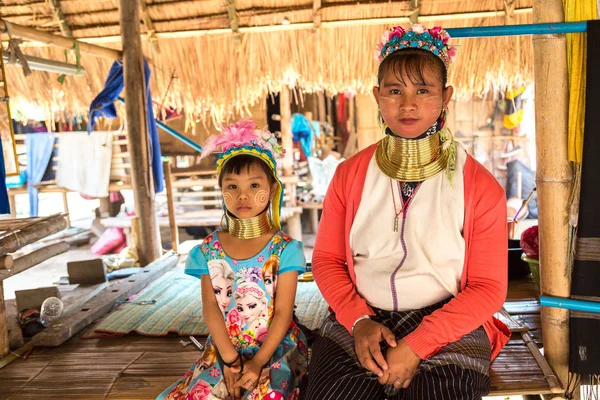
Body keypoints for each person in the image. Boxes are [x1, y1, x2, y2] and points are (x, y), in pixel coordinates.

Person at [303, 24, 510, 400]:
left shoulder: (479, 187)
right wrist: (358, 319)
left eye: (423, 90)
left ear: (445, 97)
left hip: (450, 323)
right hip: (363, 317)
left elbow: (489, 288)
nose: (407, 104)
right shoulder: (349, 176)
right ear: (377, 97)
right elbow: (327, 260)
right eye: (394, 91)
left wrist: (417, 344)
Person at [158, 119, 308, 400]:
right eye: (232, 186)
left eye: (254, 185)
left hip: (274, 348)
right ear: (222, 190)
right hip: (225, 349)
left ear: (273, 189)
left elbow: (284, 314)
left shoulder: (285, 250)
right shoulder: (208, 250)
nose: (243, 195)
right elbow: (211, 310)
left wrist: (257, 362)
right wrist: (231, 360)